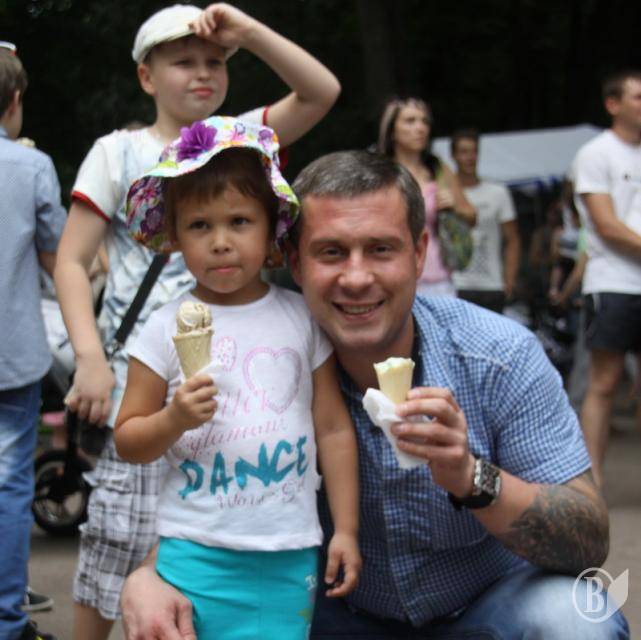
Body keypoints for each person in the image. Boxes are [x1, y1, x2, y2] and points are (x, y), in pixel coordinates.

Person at [121, 150, 628, 640]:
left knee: (572, 618)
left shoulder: (499, 356)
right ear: (295, 261)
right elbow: (216, 485)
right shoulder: (271, 349)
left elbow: (588, 540)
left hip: (484, 607)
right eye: (331, 252)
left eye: (381, 249)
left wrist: (471, 477)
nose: (357, 278)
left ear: (420, 253)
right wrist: (148, 575)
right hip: (334, 613)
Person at [53, 4, 341, 639]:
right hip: (143, 376)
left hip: (241, 394)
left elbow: (321, 91)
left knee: (198, 561)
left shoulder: (241, 142)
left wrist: (249, 32)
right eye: (183, 61)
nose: (203, 73)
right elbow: (72, 260)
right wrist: (91, 359)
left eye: (215, 61)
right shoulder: (118, 150)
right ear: (146, 76)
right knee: (114, 549)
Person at [114, 116, 360, 639]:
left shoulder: (303, 317)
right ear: (175, 235)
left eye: (240, 221)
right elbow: (128, 440)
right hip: (191, 553)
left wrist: (346, 529)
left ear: (271, 229)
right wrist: (173, 418)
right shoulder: (161, 327)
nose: (220, 242)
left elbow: (334, 430)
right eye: (200, 226)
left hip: (288, 554)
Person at [0, 45, 66, 640]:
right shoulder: (30, 166)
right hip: (10, 356)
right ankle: (6, 621)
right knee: (7, 488)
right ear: (14, 101)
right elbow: (59, 260)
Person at [572, 69, 641, 487]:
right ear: (613, 104)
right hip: (613, 282)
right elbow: (607, 225)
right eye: (638, 97)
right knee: (604, 383)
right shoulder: (596, 153)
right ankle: (589, 482)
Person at [377, 97, 476, 297]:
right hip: (391, 277)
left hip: (438, 280)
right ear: (391, 131)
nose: (420, 128)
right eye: (410, 121)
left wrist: (454, 207)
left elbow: (472, 216)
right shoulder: (379, 173)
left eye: (424, 121)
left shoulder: (437, 169)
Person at [450, 128, 520, 313]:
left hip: (491, 285)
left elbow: (512, 239)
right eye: (464, 152)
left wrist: (509, 279)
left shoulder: (498, 192)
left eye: (474, 151)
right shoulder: (444, 194)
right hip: (455, 283)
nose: (469, 157)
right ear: (454, 156)